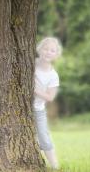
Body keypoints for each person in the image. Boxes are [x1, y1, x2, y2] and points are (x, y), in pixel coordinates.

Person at [33, 37, 62, 169]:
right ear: (40, 49)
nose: (48, 52)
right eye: (46, 49)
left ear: (56, 54)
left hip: (38, 109)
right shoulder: (31, 63)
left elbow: (50, 97)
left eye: (52, 50)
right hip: (19, 109)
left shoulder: (53, 75)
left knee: (43, 137)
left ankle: (55, 166)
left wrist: (35, 90)